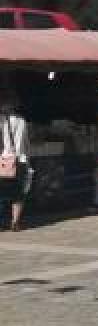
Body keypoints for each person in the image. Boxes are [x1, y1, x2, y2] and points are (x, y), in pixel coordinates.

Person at [0, 91, 31, 232]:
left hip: (3, 161)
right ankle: (15, 222)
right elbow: (26, 143)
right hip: (20, 160)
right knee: (18, 194)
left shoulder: (1, 120)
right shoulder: (22, 121)